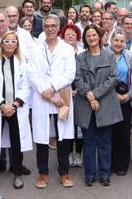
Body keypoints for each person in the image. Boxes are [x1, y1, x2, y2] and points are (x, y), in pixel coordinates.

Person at [29, 14, 76, 188]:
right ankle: (42, 173)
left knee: (63, 136)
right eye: (46, 25)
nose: (50, 29)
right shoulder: (35, 49)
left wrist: (53, 88)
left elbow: (70, 74)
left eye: (53, 26)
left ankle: (64, 172)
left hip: (61, 95)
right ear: (43, 28)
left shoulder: (67, 49)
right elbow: (32, 73)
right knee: (42, 136)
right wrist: (46, 92)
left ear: (58, 28)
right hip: (42, 97)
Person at [0, 31, 33, 190]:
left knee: (16, 142)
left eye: (13, 42)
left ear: (17, 45)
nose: (10, 44)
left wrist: (15, 104)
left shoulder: (21, 62)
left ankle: (17, 172)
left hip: (15, 108)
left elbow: (26, 85)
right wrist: (2, 105)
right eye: (7, 41)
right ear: (2, 43)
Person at [74, 25, 122, 186]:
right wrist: (89, 95)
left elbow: (113, 78)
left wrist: (95, 94)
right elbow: (77, 79)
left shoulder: (109, 56)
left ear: (100, 37)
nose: (92, 38)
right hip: (86, 103)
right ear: (85, 39)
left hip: (106, 103)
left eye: (94, 35)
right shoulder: (80, 57)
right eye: (88, 35)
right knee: (88, 141)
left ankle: (104, 173)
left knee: (104, 141)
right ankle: (89, 174)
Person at [110, 31, 132, 176]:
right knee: (110, 133)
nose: (119, 43)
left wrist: (128, 95)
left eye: (121, 41)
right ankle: (111, 163)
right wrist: (113, 95)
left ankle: (122, 164)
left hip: (125, 99)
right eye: (116, 40)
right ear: (111, 41)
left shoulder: (129, 56)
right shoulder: (105, 54)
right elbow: (102, 78)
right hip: (109, 99)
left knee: (124, 133)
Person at [59, 22, 84, 167]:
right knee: (66, 125)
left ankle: (78, 154)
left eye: (73, 34)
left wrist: (78, 90)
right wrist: (69, 90)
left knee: (79, 126)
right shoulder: (60, 51)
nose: (70, 36)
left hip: (79, 93)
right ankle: (68, 153)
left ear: (77, 36)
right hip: (64, 92)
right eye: (67, 34)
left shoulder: (82, 52)